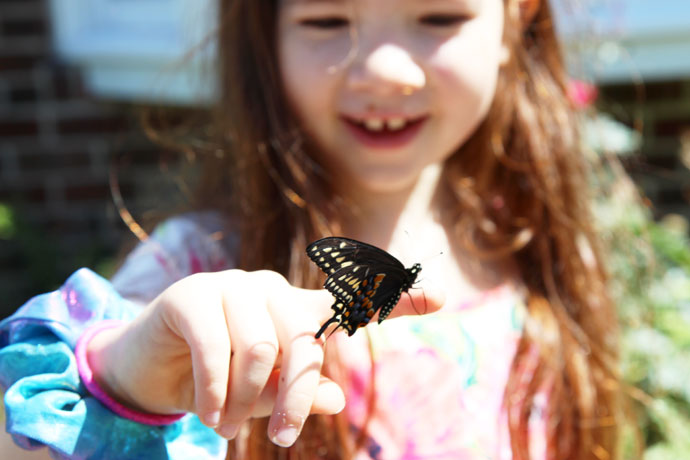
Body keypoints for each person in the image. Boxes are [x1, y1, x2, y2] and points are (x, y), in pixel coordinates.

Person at [0, 0, 623, 458]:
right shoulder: (198, 268)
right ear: (265, 34)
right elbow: (19, 441)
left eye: (439, 18)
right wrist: (125, 380)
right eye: (327, 21)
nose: (385, 70)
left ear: (516, 20)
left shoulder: (527, 248)